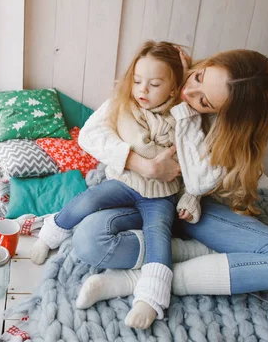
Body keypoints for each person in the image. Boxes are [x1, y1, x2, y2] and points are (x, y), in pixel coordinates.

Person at [72, 48, 268, 317]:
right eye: (199, 77)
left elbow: (197, 183)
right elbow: (90, 135)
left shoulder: (225, 129)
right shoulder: (163, 77)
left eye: (204, 102)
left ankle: (141, 280)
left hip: (194, 208)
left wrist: (185, 112)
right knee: (89, 239)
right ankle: (191, 253)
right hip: (144, 194)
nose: (188, 93)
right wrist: (146, 166)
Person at [29, 41, 217, 329]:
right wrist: (145, 165)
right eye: (138, 81)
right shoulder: (125, 105)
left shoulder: (186, 117)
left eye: (154, 84)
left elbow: (196, 164)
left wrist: (191, 197)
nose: (142, 90)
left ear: (172, 87)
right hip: (125, 181)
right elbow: (91, 136)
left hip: (161, 195)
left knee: (159, 234)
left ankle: (150, 298)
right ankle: (50, 235)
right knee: (87, 200)